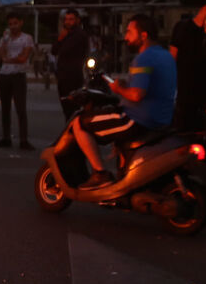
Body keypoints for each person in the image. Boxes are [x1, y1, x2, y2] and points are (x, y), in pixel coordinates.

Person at [72, 14, 176, 189]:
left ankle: (100, 174)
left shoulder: (143, 58)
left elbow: (136, 95)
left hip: (138, 119)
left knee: (80, 123)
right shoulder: (165, 56)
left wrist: (118, 89)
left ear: (143, 35)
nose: (125, 36)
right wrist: (126, 85)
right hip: (162, 118)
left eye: (129, 32)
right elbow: (153, 86)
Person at [168, 1, 206, 189]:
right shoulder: (183, 28)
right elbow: (173, 57)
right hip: (186, 94)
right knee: (183, 139)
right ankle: (182, 183)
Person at [0, 12, 35, 149]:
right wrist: (5, 42)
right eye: (10, 24)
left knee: (20, 108)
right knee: (5, 108)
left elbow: (23, 58)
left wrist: (9, 60)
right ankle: (6, 137)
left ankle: (23, 139)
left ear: (21, 23)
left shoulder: (26, 38)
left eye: (15, 23)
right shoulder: (5, 39)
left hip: (18, 74)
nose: (13, 27)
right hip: (4, 74)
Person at [52, 9, 90, 119]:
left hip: (73, 77)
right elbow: (54, 50)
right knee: (66, 109)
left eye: (71, 19)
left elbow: (63, 50)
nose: (68, 22)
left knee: (73, 109)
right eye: (66, 20)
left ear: (77, 20)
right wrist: (60, 38)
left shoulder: (79, 35)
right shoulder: (65, 35)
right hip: (63, 78)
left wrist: (62, 40)